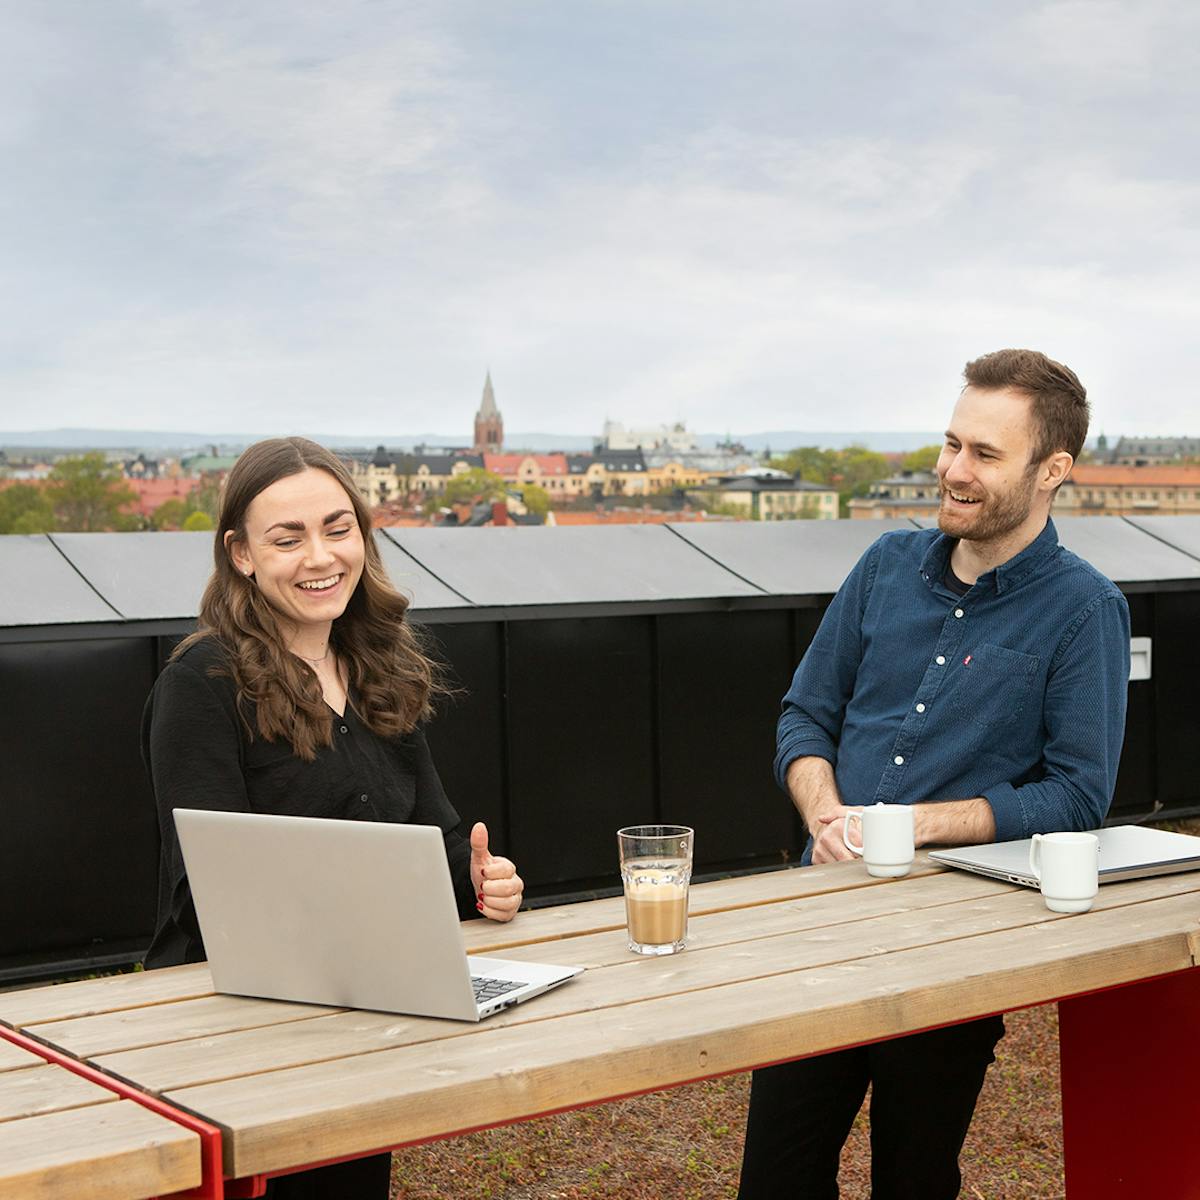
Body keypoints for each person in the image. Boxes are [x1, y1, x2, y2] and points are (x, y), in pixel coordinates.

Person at [737, 349, 1130, 1200]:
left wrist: (913, 825)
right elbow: (804, 716)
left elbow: (1077, 795)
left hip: (952, 947)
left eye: (984, 455)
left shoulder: (1085, 609)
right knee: (774, 1183)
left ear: (1052, 469)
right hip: (820, 924)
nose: (952, 471)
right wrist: (826, 812)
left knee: (912, 1184)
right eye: (951, 443)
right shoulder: (883, 565)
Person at [142, 436, 524, 1199]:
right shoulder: (202, 685)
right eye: (288, 538)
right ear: (242, 554)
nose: (321, 556)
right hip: (235, 1038)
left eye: (336, 528)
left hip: (365, 1009)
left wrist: (483, 883)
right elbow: (208, 897)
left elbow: (438, 845)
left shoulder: (380, 664)